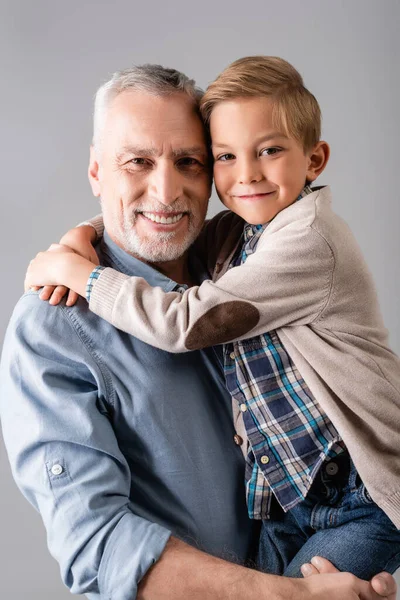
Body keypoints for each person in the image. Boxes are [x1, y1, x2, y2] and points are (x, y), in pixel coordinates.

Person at [6, 63, 396, 600]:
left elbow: (185, 317)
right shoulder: (55, 324)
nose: (166, 191)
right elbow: (99, 548)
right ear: (97, 172)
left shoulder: (237, 264)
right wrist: (292, 597)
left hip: (343, 509)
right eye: (137, 162)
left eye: (188, 161)